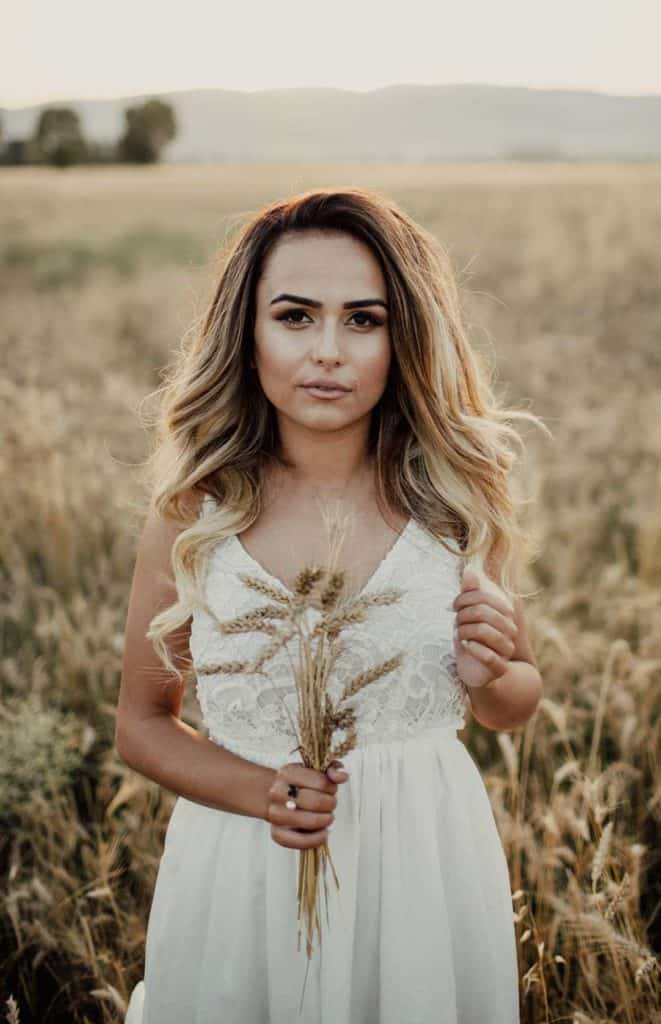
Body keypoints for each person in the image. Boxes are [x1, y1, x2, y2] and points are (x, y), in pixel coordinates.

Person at [117, 187, 545, 1023]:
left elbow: (515, 701)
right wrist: (257, 792)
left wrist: (491, 672)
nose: (328, 352)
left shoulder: (453, 502)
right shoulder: (195, 514)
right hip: (247, 868)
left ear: (403, 339)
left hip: (422, 864)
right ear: (247, 336)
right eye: (294, 316)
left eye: (363, 320)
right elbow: (141, 724)